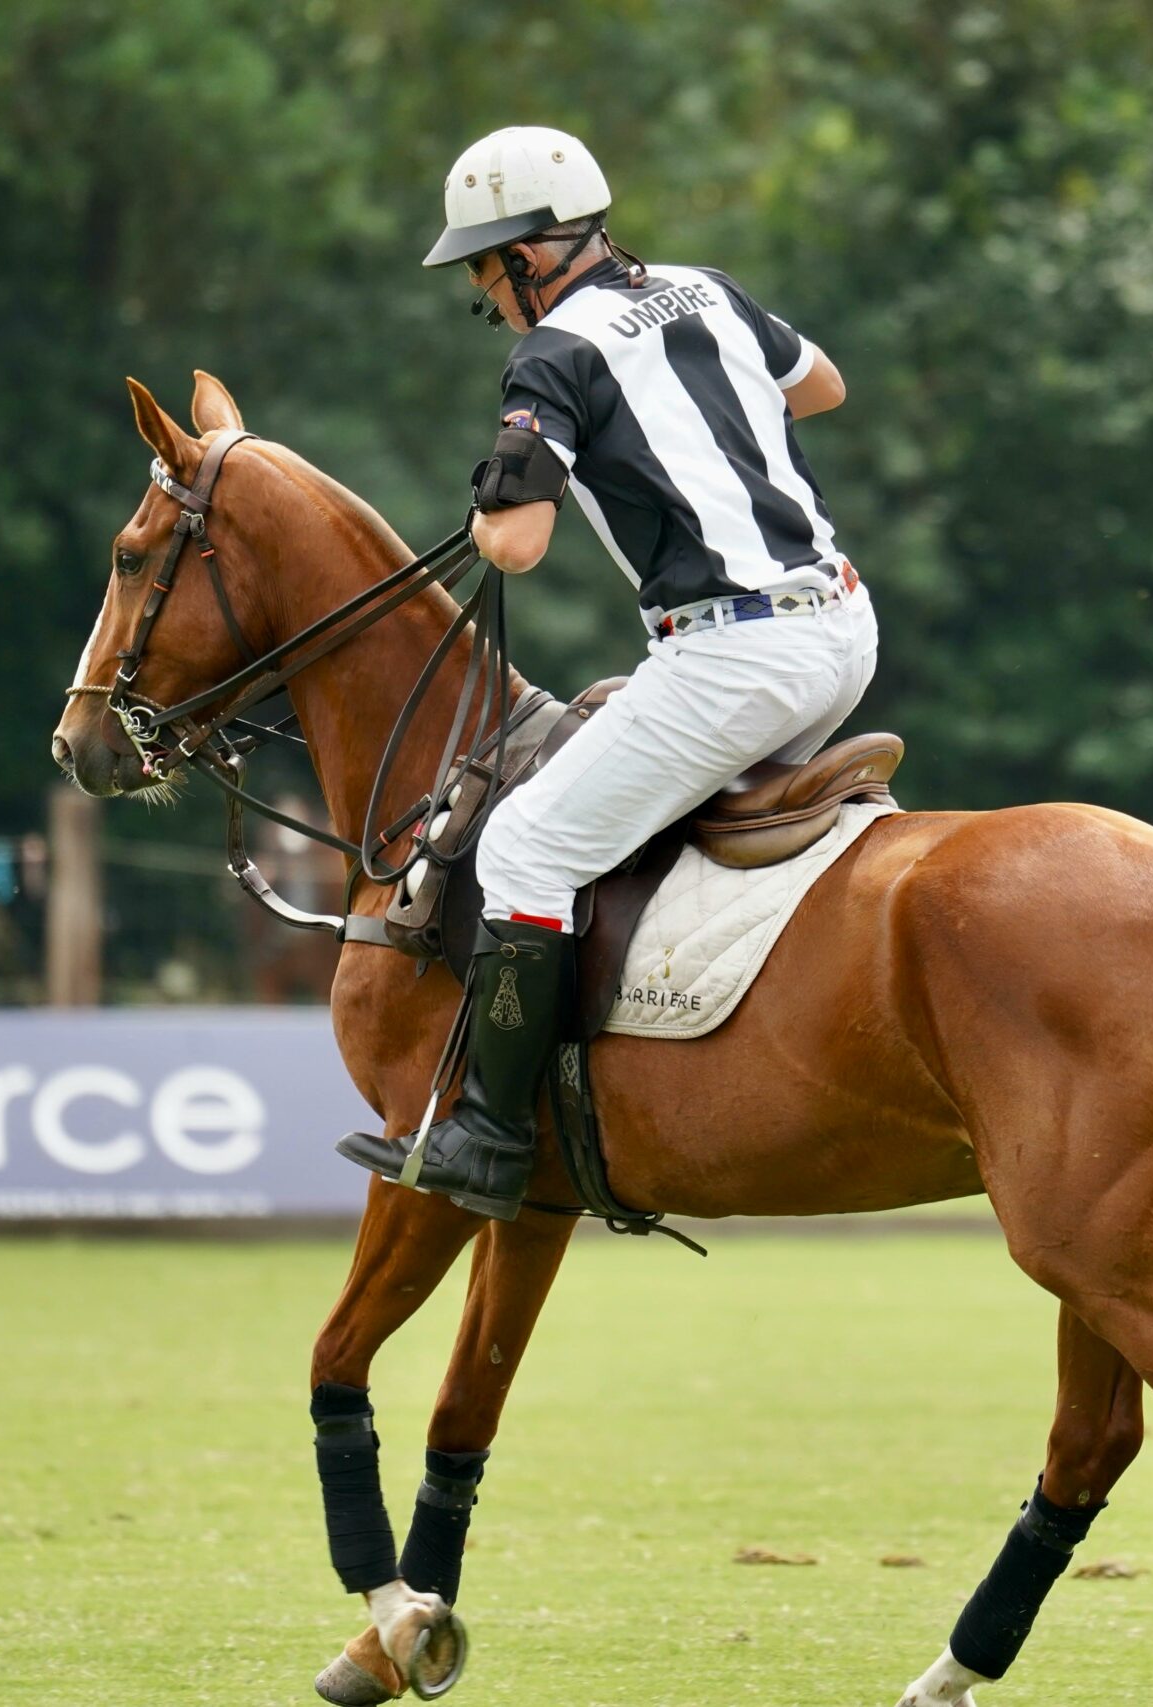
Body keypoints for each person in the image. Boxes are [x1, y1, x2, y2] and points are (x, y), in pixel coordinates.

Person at [338, 125, 878, 1219]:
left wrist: (497, 491)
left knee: (527, 848)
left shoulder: (552, 355)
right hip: (843, 631)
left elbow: (515, 546)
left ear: (528, 251)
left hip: (733, 654)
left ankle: (491, 1137)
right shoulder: (707, 289)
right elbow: (821, 385)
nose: (487, 295)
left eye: (485, 271)